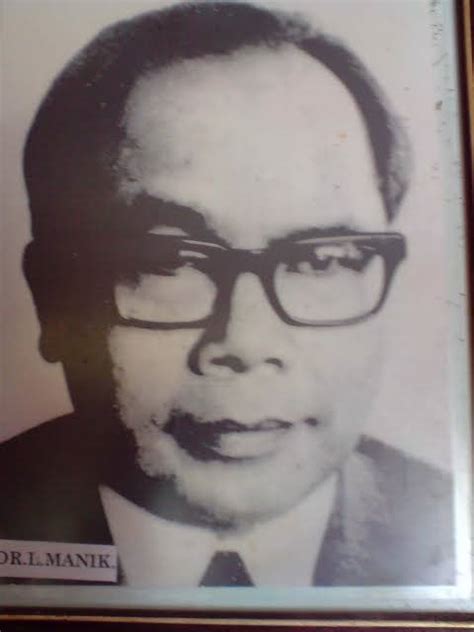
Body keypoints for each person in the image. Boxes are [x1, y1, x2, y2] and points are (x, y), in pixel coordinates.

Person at [0, 1, 454, 587]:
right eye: (166, 261)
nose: (244, 342)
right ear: (53, 300)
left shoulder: (450, 538)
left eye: (321, 261)